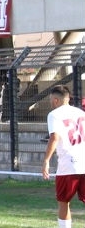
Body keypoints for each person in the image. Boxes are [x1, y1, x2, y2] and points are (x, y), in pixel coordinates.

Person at [42, 85, 85, 228]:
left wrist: (46, 161)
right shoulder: (80, 112)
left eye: (50, 100)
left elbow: (54, 137)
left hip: (68, 164)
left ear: (55, 100)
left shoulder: (54, 114)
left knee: (63, 202)